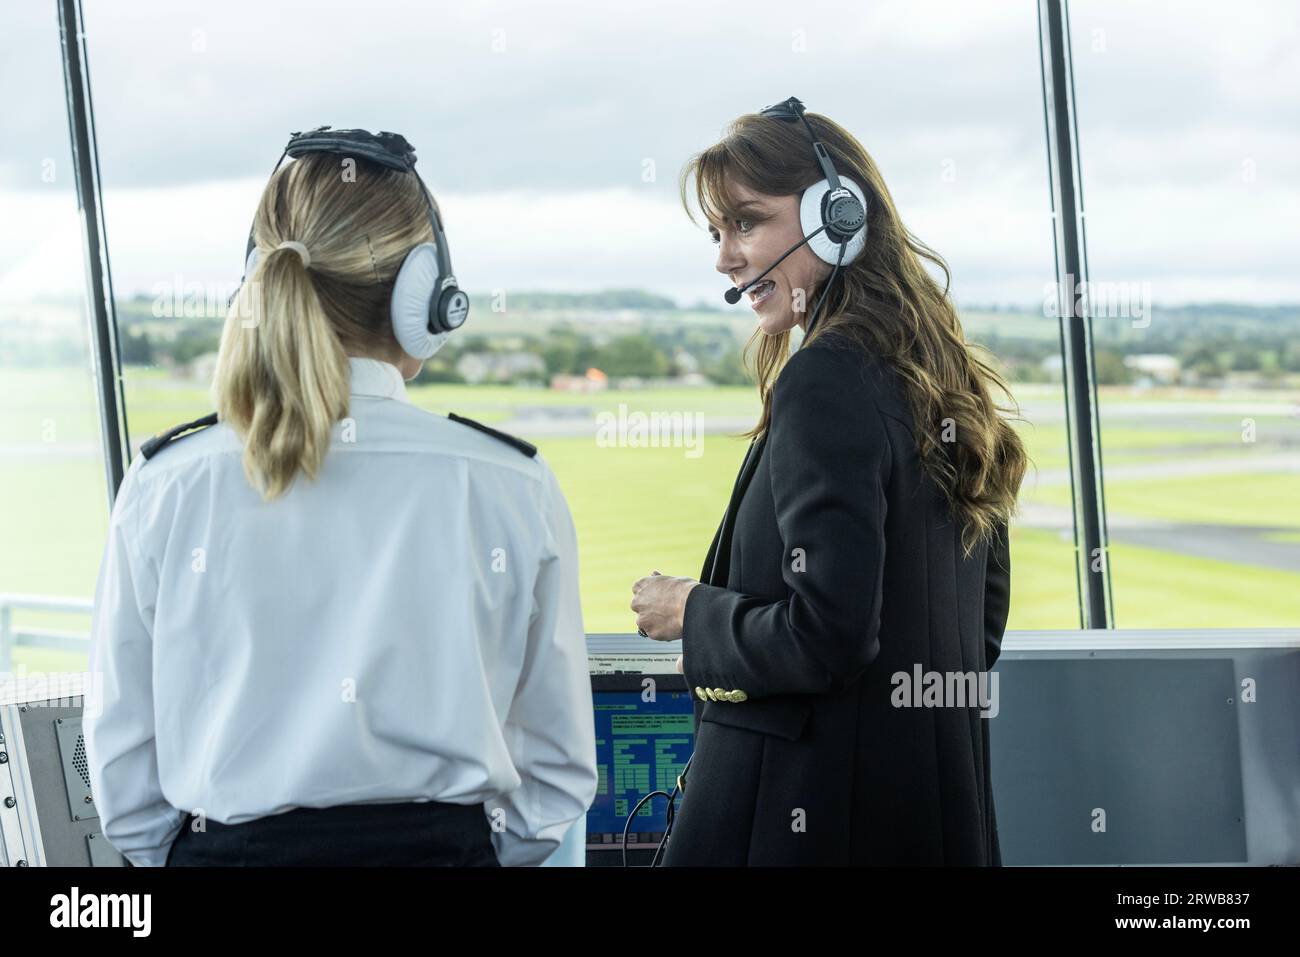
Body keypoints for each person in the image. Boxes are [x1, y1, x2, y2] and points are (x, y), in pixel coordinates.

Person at [83, 128, 597, 867]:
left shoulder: (164, 482)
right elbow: (556, 773)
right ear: (427, 296)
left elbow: (126, 778)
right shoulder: (511, 483)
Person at [630, 98, 1027, 865]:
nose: (725, 257)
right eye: (717, 232)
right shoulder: (942, 380)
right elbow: (978, 629)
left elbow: (827, 636)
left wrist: (694, 611)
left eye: (746, 223)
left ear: (837, 217)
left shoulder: (826, 378)